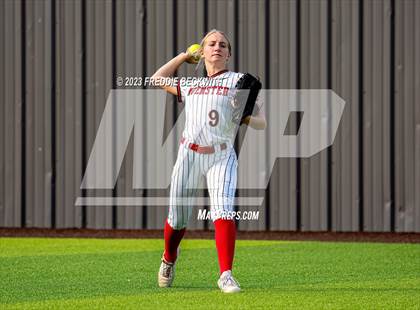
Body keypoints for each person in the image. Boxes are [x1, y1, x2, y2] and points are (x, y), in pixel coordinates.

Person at [151, 29, 266, 293]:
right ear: (202, 52)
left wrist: (244, 117)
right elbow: (157, 79)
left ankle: (226, 274)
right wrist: (183, 56)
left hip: (222, 155)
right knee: (178, 218)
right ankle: (169, 257)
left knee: (223, 210)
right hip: (189, 154)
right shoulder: (192, 84)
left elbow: (262, 123)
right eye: (211, 44)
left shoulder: (240, 81)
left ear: (228, 54)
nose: (217, 47)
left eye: (223, 45)